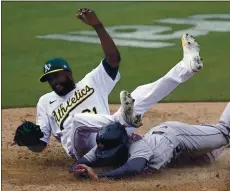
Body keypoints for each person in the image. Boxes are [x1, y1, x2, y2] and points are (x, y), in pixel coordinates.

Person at [19, 7, 204, 160]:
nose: (53, 82)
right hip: (83, 150)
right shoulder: (45, 102)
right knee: (76, 121)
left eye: (56, 76)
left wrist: (98, 26)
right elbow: (40, 145)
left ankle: (187, 67)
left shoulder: (92, 81)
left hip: (111, 136)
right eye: (49, 79)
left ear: (68, 73)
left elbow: (113, 58)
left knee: (140, 94)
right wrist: (30, 141)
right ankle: (122, 119)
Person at [70, 68, 230, 180]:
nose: (103, 156)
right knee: (206, 159)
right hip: (172, 152)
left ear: (125, 142)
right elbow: (81, 162)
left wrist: (99, 177)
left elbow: (133, 168)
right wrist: (79, 169)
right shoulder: (105, 144)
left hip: (176, 136)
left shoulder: (138, 148)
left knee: (221, 134)